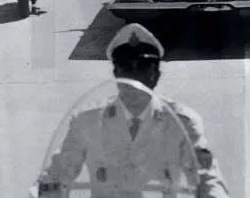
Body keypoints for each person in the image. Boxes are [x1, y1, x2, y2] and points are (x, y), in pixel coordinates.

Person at [33, 23, 229, 198]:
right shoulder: (87, 120)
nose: (134, 80)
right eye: (126, 69)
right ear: (115, 74)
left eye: (143, 69)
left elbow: (207, 180)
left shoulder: (182, 123)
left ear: (156, 76)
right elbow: (56, 175)